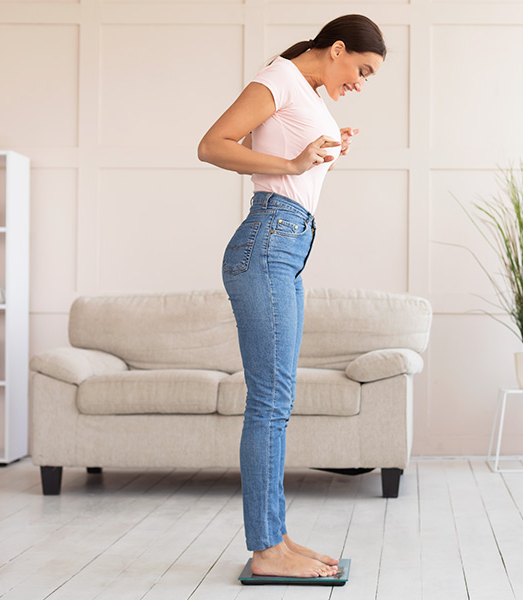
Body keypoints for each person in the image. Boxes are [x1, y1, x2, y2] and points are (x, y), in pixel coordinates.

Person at [197, 14, 386, 579]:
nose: (360, 83)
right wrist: (295, 162)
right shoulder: (278, 77)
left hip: (286, 247)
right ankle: (266, 549)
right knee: (270, 405)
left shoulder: (302, 90)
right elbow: (212, 145)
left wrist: (324, 149)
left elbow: (289, 160)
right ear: (336, 49)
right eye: (362, 70)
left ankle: (274, 537)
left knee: (277, 403)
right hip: (267, 243)